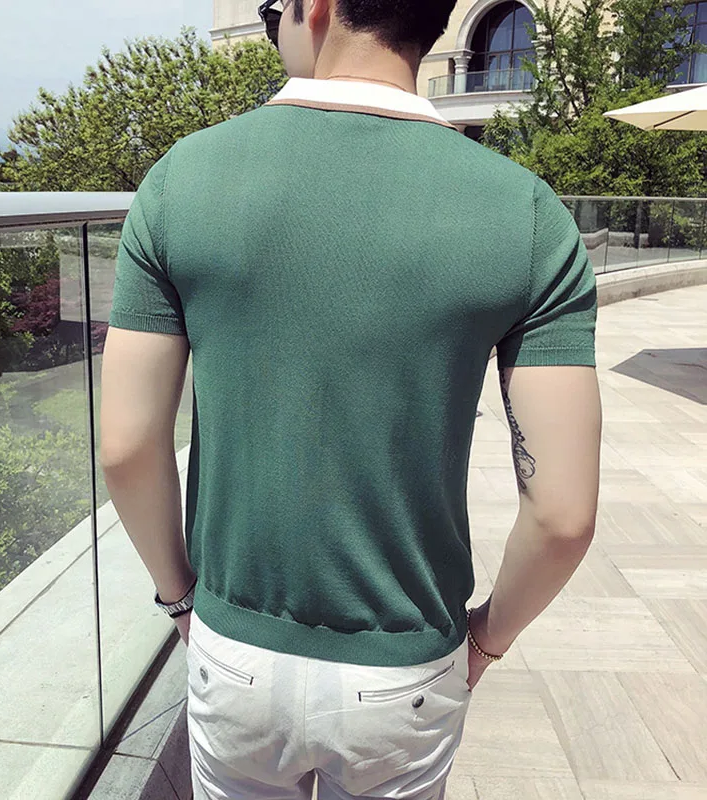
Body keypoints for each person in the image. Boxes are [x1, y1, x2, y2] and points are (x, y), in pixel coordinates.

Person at [99, 0, 602, 797]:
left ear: (318, 7)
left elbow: (126, 447)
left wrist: (182, 600)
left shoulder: (179, 181)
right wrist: (486, 642)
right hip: (406, 669)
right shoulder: (529, 214)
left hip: (236, 650)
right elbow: (564, 516)